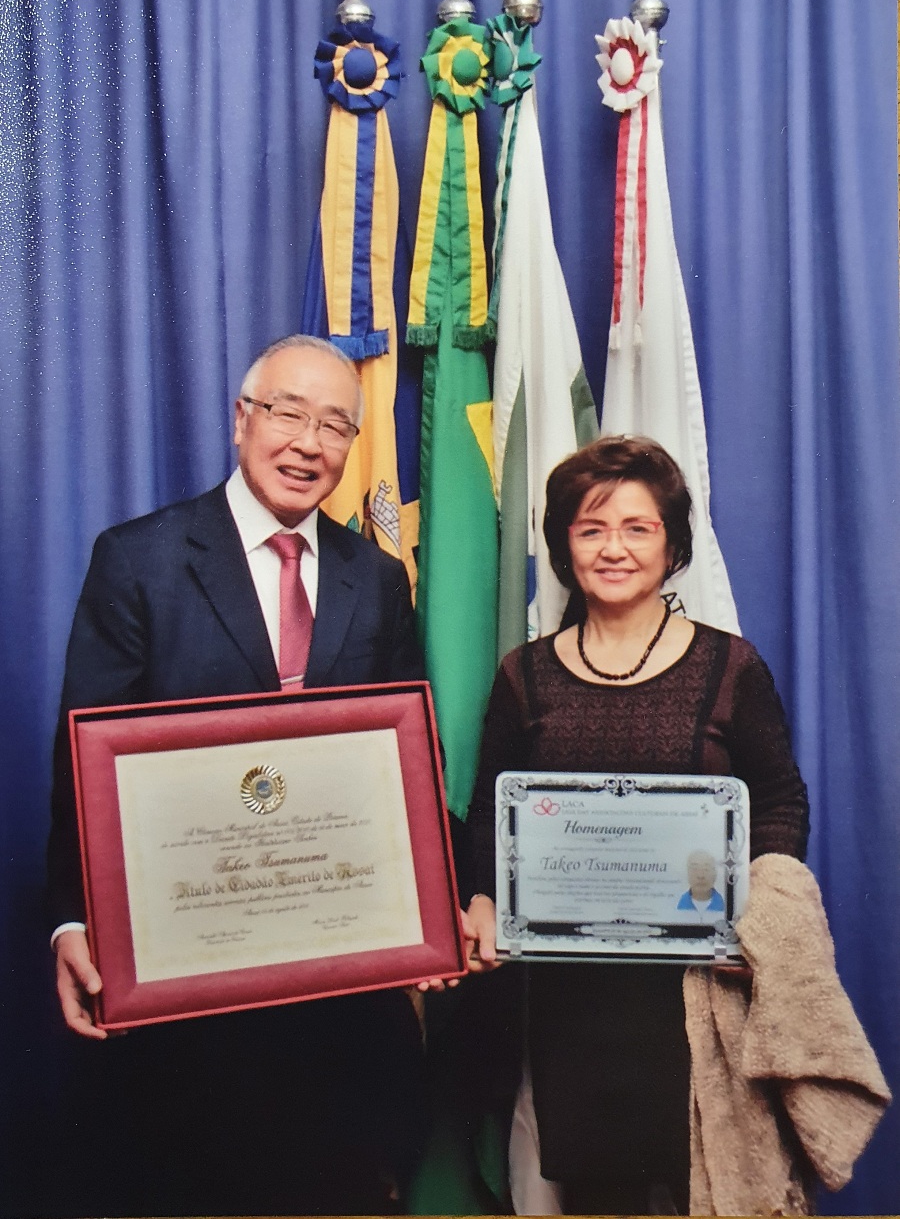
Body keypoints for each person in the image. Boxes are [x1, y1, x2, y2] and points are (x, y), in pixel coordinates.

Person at [47, 334, 434, 1217]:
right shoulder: (138, 558)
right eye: (288, 413)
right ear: (240, 421)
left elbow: (402, 761)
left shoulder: (375, 580)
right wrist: (73, 914)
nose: (310, 443)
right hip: (192, 979)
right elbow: (82, 756)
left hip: (337, 978)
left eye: (336, 425)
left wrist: (428, 908)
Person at [464, 436, 810, 1216]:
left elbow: (782, 801)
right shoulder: (525, 674)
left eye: (636, 528)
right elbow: (490, 807)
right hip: (571, 1004)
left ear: (673, 544)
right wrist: (484, 900)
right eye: (590, 530)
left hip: (700, 993)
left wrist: (758, 926)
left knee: (710, 1190)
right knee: (598, 1195)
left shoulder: (731, 668)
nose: (612, 548)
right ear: (562, 547)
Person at [677, 849, 726, 915]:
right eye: (694, 869)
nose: (700, 875)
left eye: (706, 869)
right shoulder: (675, 906)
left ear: (715, 874)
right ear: (687, 873)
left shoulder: (727, 905)